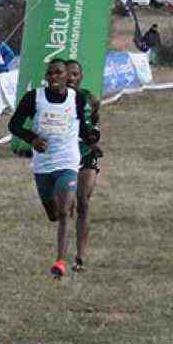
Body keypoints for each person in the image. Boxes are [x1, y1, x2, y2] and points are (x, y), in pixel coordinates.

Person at [7, 58, 98, 279]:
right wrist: (33, 138)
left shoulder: (76, 98)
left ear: (68, 77)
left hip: (67, 160)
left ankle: (60, 262)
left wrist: (93, 138)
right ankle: (62, 238)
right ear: (47, 77)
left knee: (66, 210)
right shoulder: (33, 98)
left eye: (59, 73)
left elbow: (82, 127)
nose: (55, 77)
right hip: (43, 164)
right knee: (54, 213)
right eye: (51, 74)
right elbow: (14, 124)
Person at [65, 60, 102, 272]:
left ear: (81, 77)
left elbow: (94, 123)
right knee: (64, 207)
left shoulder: (91, 99)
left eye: (75, 74)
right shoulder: (54, 99)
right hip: (64, 157)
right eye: (68, 74)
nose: (71, 77)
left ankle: (80, 257)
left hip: (86, 155)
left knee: (83, 203)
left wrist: (94, 141)